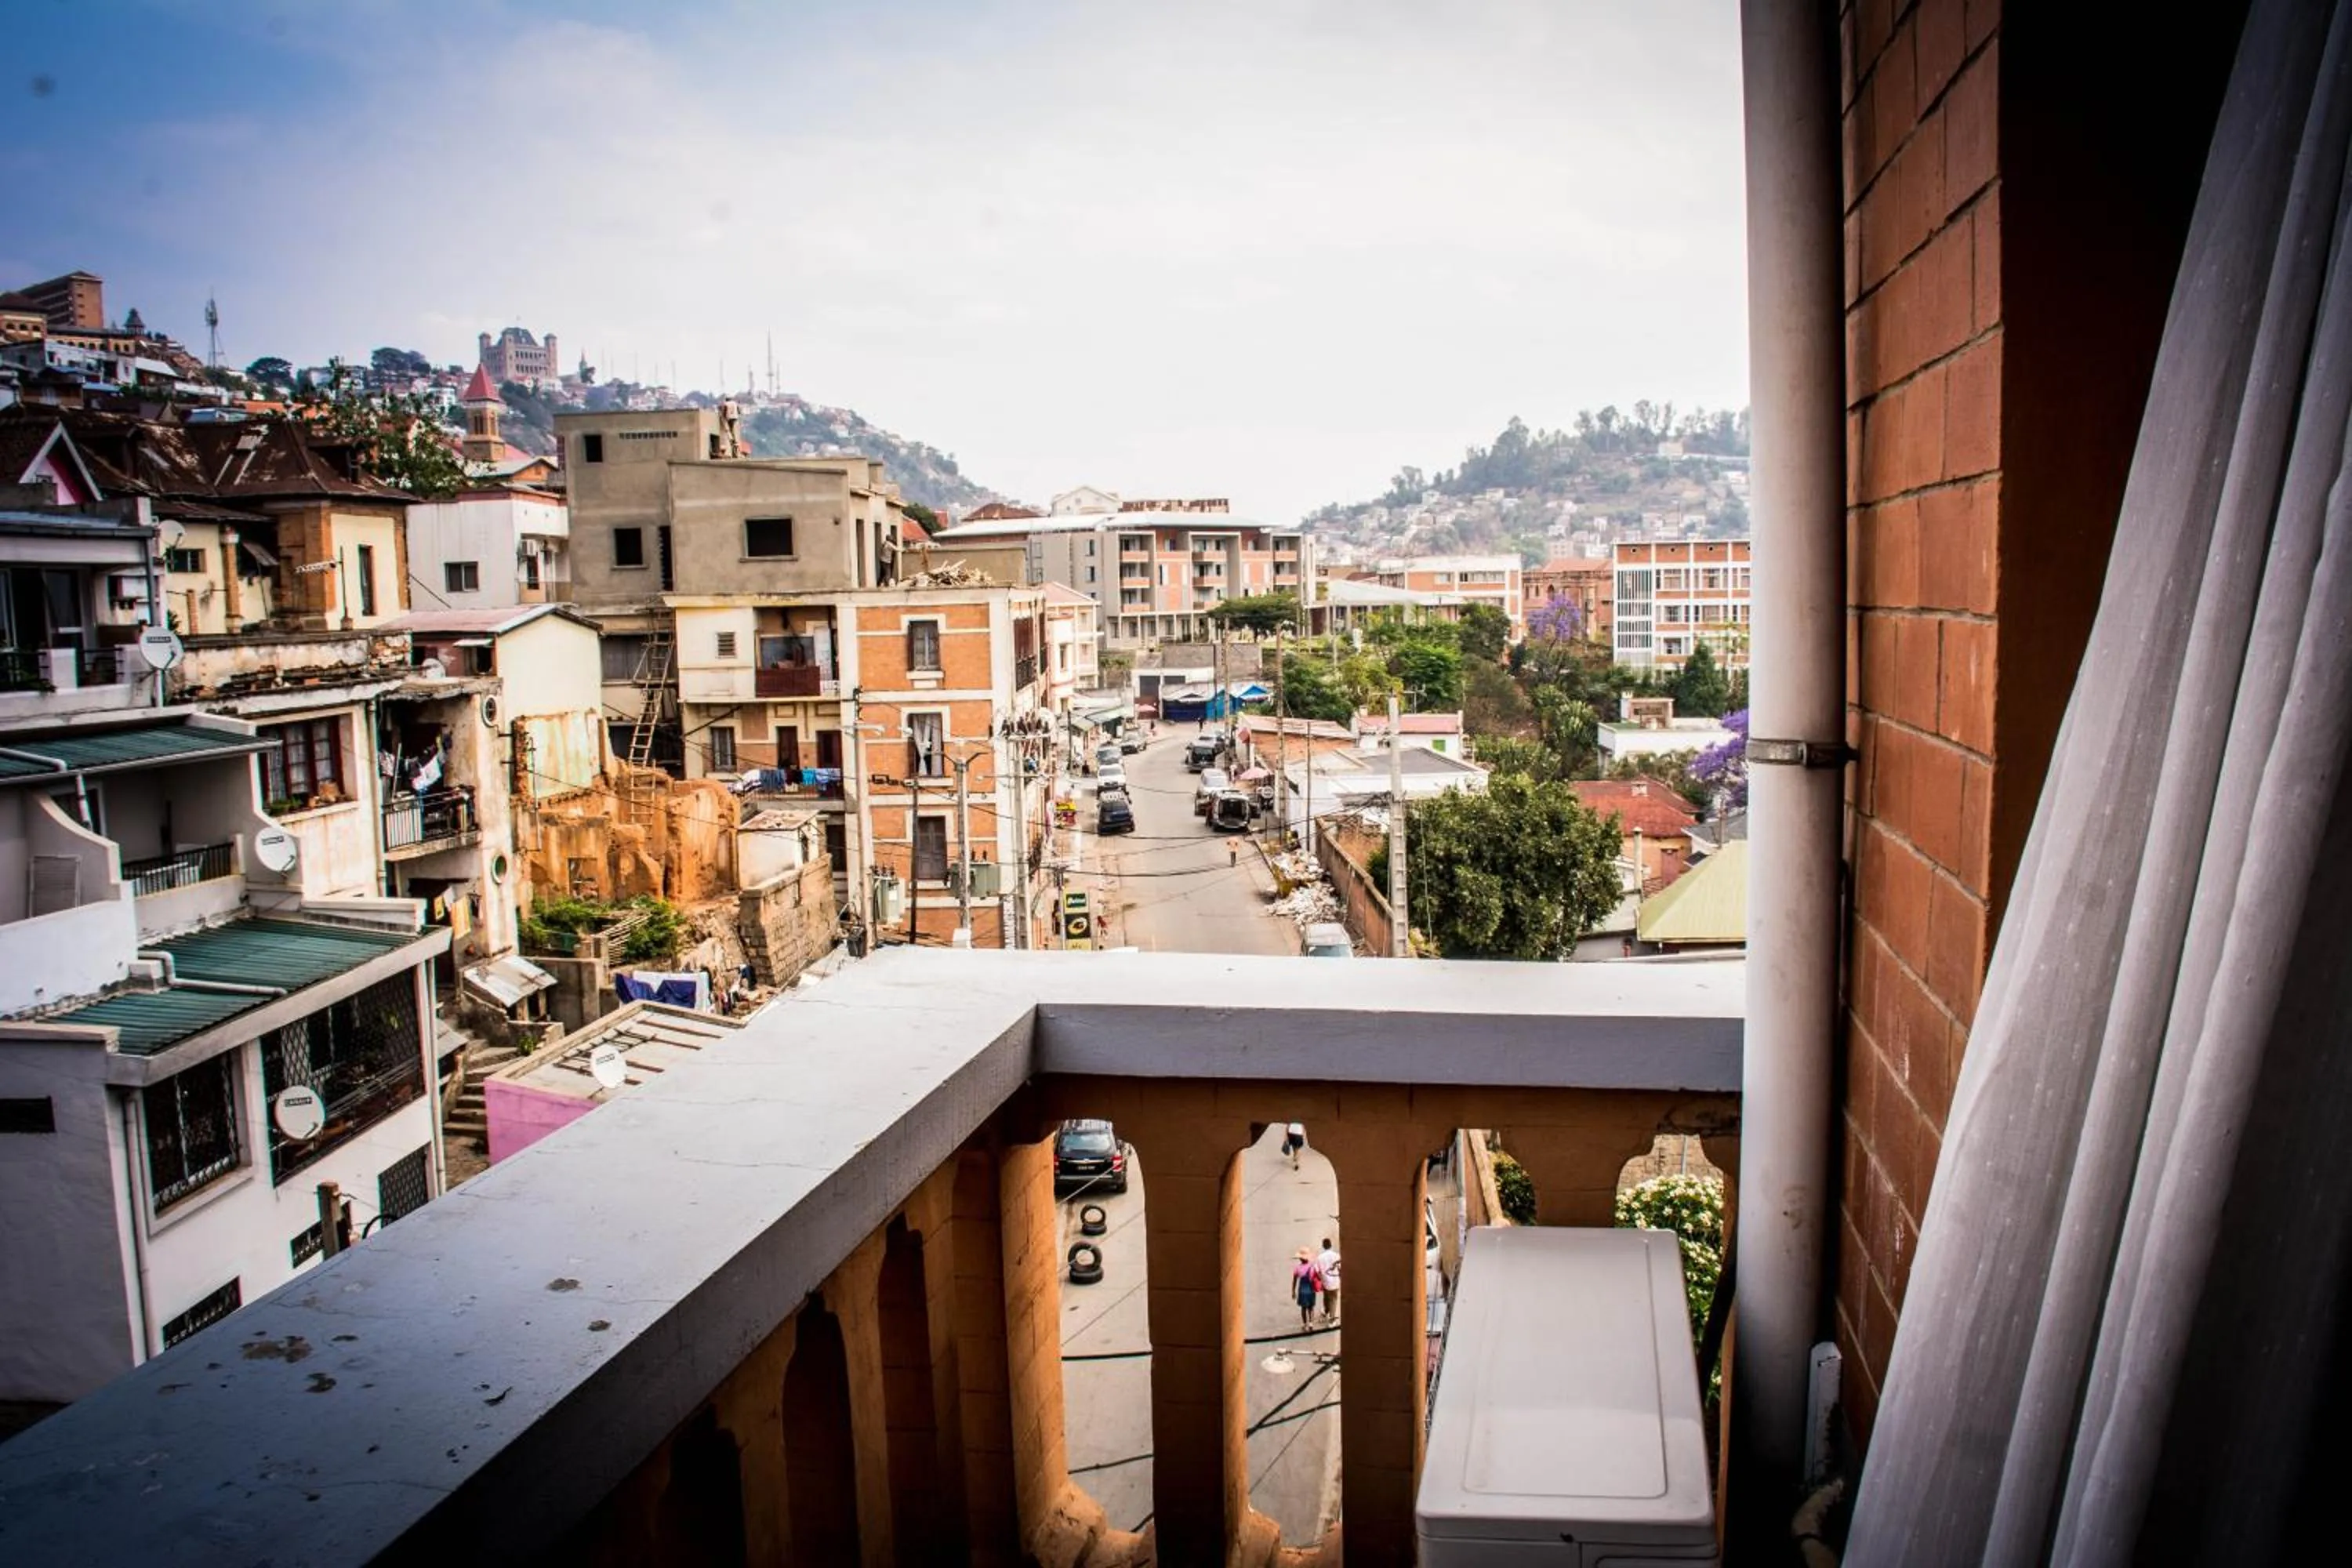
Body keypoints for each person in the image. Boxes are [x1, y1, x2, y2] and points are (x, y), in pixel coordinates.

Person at [1291, 1248, 1322, 1330]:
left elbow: (1294, 1280)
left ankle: (1305, 1324)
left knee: (1303, 1308)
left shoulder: (1297, 1268)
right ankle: (1311, 1323)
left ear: (1301, 1258)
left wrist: (1293, 1292)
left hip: (1302, 1290)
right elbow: (1319, 1277)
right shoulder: (1312, 1266)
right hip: (1311, 1289)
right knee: (1311, 1307)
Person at [1316, 1238, 1342, 1325]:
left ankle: (1326, 1311)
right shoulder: (1337, 1255)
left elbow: (1317, 1270)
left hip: (1325, 1282)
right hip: (1335, 1281)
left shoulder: (1320, 1258)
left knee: (1326, 1297)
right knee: (1334, 1299)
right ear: (1331, 1245)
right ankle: (1332, 1319)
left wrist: (1321, 1278)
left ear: (1323, 1246)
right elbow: (1340, 1268)